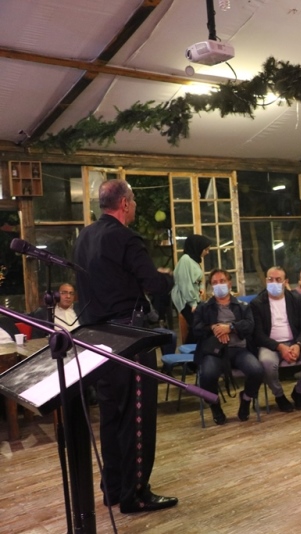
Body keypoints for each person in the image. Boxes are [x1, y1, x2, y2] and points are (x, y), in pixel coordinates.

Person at [73, 179, 177, 513]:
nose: (134, 206)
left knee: (111, 415)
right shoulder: (126, 238)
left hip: (96, 338)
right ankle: (136, 494)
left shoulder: (84, 238)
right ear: (124, 203)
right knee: (137, 416)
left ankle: (114, 488)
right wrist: (168, 277)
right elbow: (153, 283)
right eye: (133, 201)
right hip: (129, 337)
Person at [193, 269, 264, 425]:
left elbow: (250, 325)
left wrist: (230, 328)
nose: (219, 285)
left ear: (230, 284)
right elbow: (196, 329)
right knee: (207, 375)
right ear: (211, 286)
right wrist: (213, 327)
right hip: (214, 352)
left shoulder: (243, 306)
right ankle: (215, 405)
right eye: (215, 282)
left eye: (222, 281)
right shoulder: (203, 308)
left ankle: (246, 399)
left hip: (239, 350)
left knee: (257, 371)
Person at [250, 266, 301, 412]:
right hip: (270, 345)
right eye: (270, 279)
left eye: (278, 280)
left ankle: (299, 391)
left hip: (295, 341)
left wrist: (298, 345)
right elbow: (258, 335)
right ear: (266, 281)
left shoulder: (296, 299)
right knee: (266, 362)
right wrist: (280, 347)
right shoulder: (257, 303)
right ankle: (279, 395)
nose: (274, 283)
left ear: (285, 282)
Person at [171, 234, 211, 343]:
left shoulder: (195, 261)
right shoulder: (186, 259)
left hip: (193, 298)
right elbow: (185, 284)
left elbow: (199, 279)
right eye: (206, 249)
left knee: (197, 325)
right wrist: (193, 303)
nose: (207, 252)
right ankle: (189, 349)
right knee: (197, 326)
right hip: (185, 300)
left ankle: (190, 348)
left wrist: (201, 288)